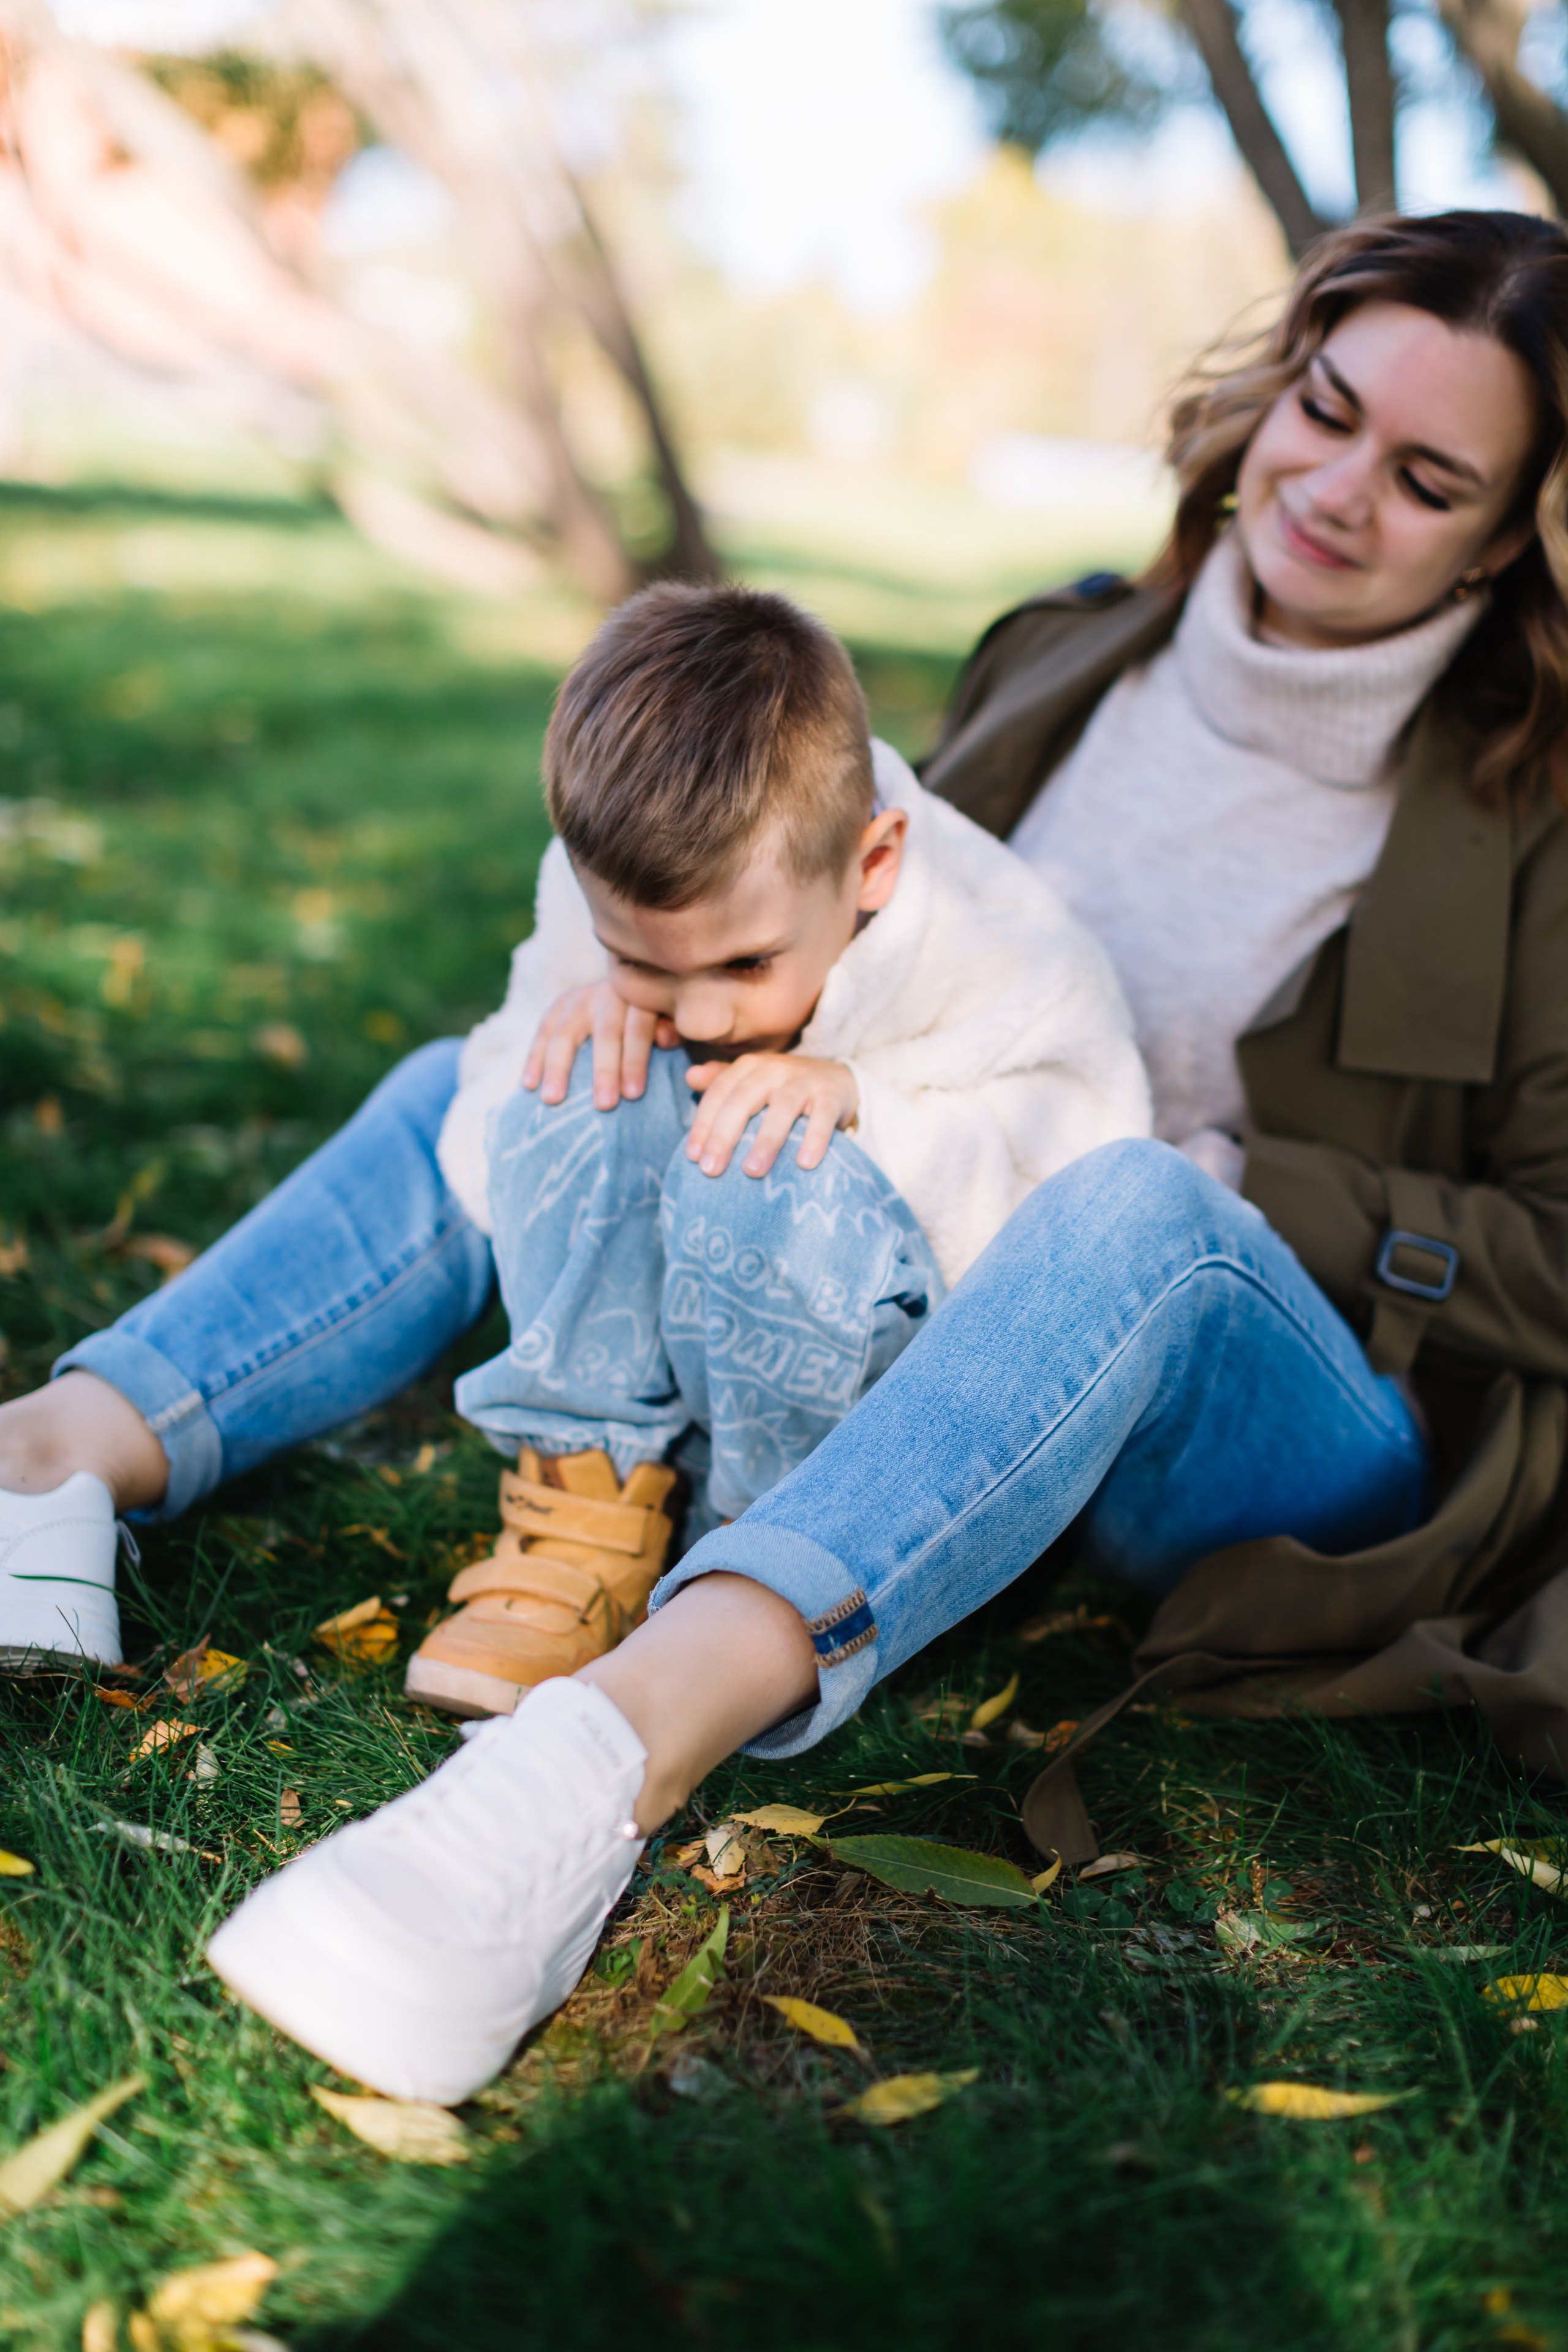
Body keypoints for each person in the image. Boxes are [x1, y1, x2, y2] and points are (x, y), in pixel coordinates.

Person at [8, 206, 1568, 2101]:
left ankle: (603, 1759)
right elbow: (848, 910)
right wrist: (644, 994)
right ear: (1271, 394)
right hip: (943, 1256)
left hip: (1273, 1386)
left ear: (1515, 531)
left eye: (1429, 480)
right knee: (510, 1063)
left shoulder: (1540, 821)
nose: (1335, 490)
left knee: (1139, 1200)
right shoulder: (1076, 643)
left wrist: (1250, 1179)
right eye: (1324, 410)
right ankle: (56, 1465)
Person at [402, 581, 1148, 1716]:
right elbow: (479, 1157)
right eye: (644, 961)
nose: (698, 1015)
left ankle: (757, 1560)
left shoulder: (1005, 950)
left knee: (771, 1155)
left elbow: (1081, 1198)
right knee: (586, 1073)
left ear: (875, 864)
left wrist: (865, 1102)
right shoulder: (607, 888)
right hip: (669, 1379)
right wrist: (568, 1041)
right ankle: (585, 1517)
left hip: (866, 1411)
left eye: (744, 966)